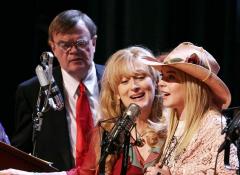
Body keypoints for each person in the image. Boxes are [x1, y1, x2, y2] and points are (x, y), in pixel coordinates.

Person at [0, 46, 166, 175]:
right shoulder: (107, 132)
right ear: (116, 93)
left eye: (140, 77)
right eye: (124, 81)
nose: (134, 87)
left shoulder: (174, 126)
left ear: (155, 82)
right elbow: (82, 173)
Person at [10, 9, 104, 171]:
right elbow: (22, 151)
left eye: (80, 43)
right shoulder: (32, 91)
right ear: (53, 47)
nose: (74, 50)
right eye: (65, 45)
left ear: (93, 43)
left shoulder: (117, 81)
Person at [143, 42, 238, 174]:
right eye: (162, 76)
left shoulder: (214, 127)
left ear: (192, 84)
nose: (160, 83)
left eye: (171, 77)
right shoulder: (172, 122)